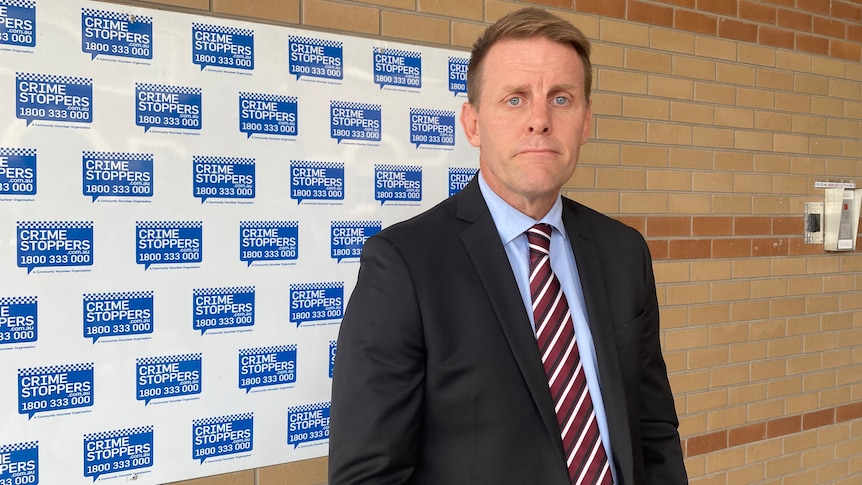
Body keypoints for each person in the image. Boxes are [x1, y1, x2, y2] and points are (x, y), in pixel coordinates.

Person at [329, 7, 687, 485]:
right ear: (473, 124)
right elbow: (367, 474)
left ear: (585, 122)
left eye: (561, 99)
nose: (539, 120)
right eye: (515, 99)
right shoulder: (405, 265)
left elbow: (652, 430)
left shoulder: (624, 252)